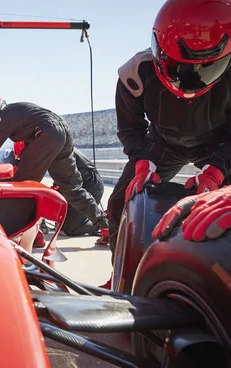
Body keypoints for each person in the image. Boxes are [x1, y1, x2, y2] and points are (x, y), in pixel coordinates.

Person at [105, 0, 231, 288]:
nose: (191, 82)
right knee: (117, 204)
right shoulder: (135, 75)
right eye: (179, 69)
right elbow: (131, 129)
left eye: (206, 69)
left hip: (218, 144)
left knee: (224, 210)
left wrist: (217, 170)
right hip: (163, 145)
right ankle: (120, 277)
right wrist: (141, 161)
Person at [0, 96, 108, 230]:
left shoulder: (3, 116)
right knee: (73, 189)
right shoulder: (20, 113)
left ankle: (16, 230)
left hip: (47, 132)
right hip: (63, 133)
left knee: (21, 186)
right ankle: (106, 224)